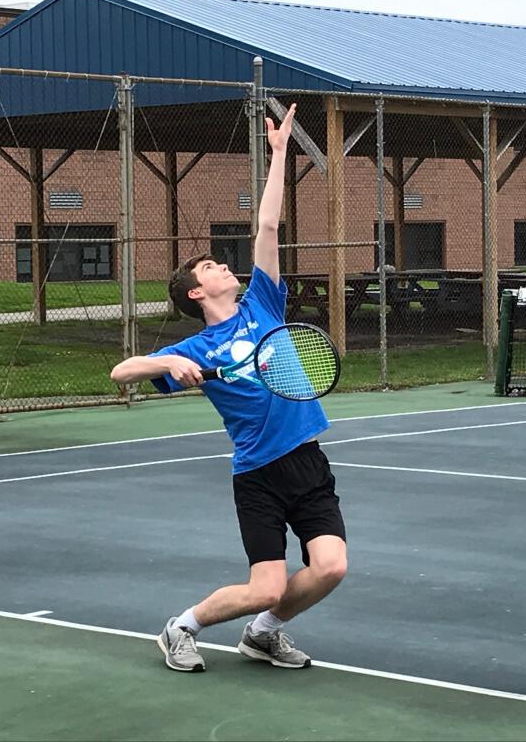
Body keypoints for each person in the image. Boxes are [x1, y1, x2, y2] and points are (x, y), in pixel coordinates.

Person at [109, 103, 348, 673]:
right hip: (259, 475)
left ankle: (263, 635)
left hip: (308, 460)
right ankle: (181, 627)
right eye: (212, 267)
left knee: (331, 567)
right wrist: (168, 368)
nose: (223, 269)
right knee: (265, 584)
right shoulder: (194, 350)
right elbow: (122, 371)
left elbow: (267, 226)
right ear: (195, 293)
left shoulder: (262, 303)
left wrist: (280, 154)